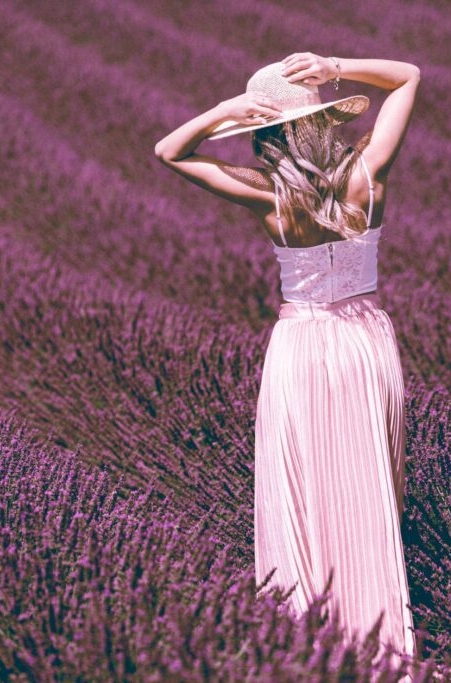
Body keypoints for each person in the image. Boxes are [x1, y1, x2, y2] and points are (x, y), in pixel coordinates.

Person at [155, 53, 422, 678]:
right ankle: (379, 636)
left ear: (267, 136)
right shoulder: (367, 173)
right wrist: (339, 64)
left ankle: (311, 638)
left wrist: (221, 113)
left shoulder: (267, 195)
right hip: (363, 343)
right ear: (325, 125)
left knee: (304, 484)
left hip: (300, 348)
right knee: (370, 484)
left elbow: (169, 153)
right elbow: (409, 75)